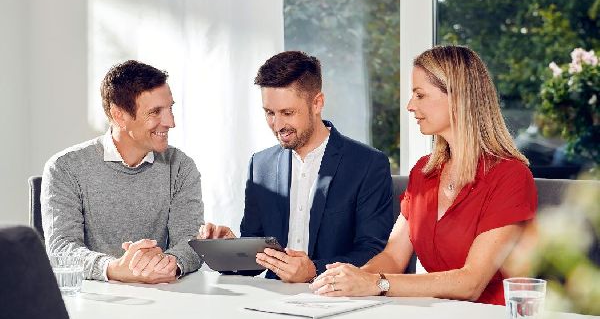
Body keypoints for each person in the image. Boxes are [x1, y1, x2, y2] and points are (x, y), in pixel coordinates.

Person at [310, 45, 538, 305]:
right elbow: (393, 257)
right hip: (434, 315)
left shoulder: (511, 177)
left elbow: (471, 283)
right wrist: (351, 279)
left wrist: (375, 284)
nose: (410, 105)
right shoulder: (423, 172)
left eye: (420, 95)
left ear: (457, 97)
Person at [200, 51, 395, 283]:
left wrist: (314, 270)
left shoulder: (367, 164)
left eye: (288, 113)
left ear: (317, 103)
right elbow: (257, 257)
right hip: (273, 297)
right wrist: (231, 249)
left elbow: (374, 252)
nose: (277, 125)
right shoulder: (260, 165)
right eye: (269, 113)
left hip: (339, 296)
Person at [42, 60, 203, 283]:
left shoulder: (181, 166)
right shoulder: (65, 167)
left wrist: (169, 263)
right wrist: (114, 268)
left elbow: (191, 242)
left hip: (162, 293)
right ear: (119, 115)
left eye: (170, 109)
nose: (171, 122)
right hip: (93, 297)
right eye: (155, 112)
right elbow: (62, 249)